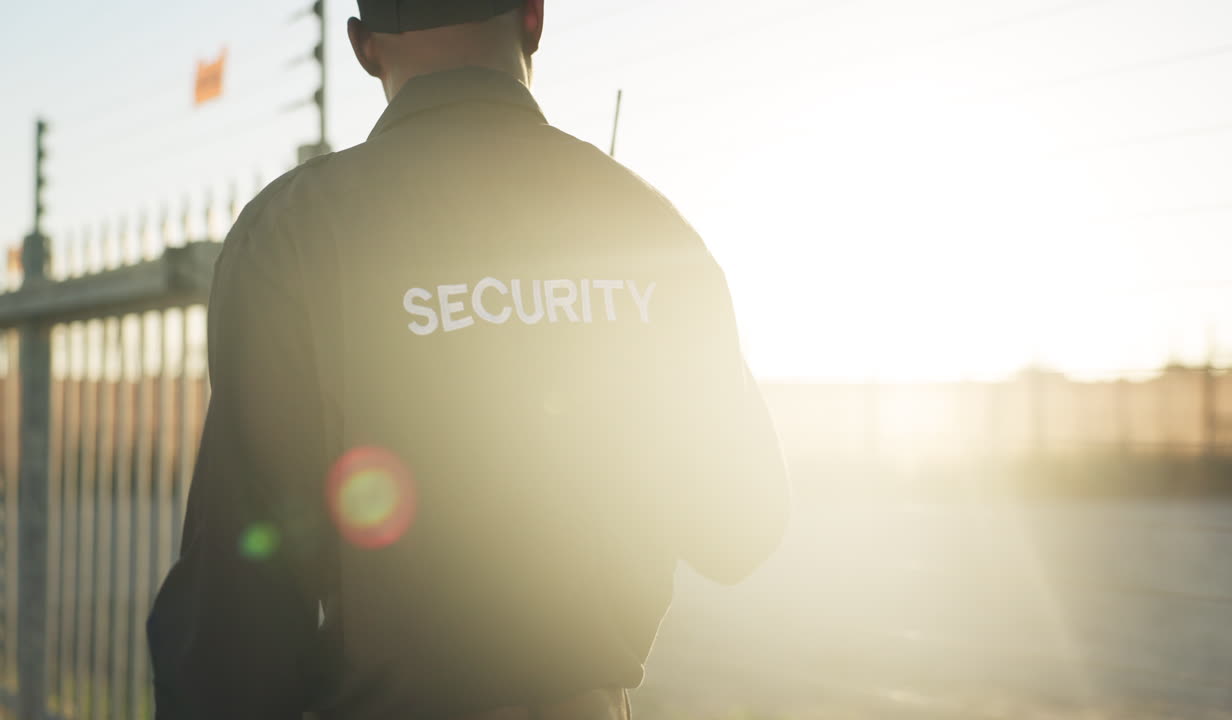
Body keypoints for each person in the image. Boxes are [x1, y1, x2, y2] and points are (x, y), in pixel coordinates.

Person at [147, 1, 790, 718]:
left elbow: (238, 612)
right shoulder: (649, 228)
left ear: (365, 48)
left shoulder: (297, 233)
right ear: (533, 18)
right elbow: (742, 526)